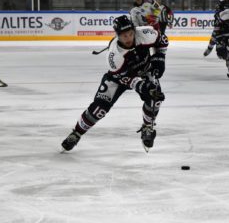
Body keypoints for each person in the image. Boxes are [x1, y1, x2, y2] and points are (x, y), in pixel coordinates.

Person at [61, 15, 169, 152]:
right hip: (118, 77)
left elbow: (162, 40)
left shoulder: (145, 34)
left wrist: (160, 58)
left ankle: (147, 126)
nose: (129, 38)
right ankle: (76, 133)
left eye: (130, 34)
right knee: (99, 109)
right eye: (124, 36)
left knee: (155, 98)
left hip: (145, 70)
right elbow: (123, 77)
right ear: (117, 35)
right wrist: (141, 86)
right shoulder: (114, 56)